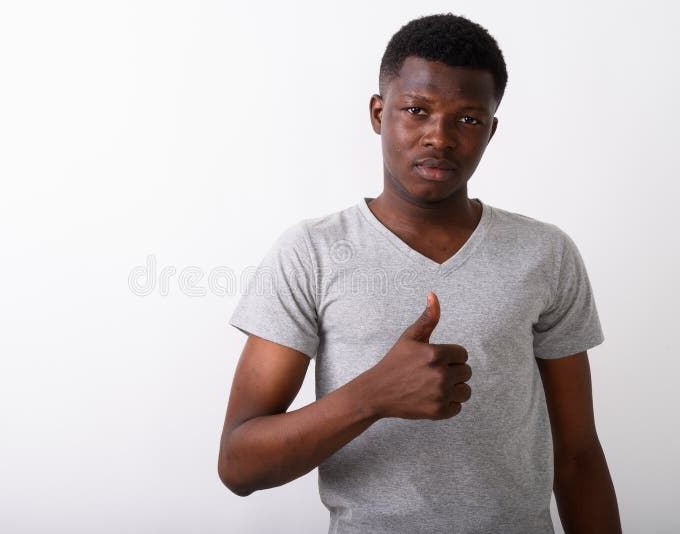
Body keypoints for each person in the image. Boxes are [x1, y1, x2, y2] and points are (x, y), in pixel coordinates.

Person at [218, 13, 621, 534]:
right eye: (416, 110)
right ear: (378, 113)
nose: (440, 137)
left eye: (468, 119)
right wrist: (373, 395)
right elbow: (238, 465)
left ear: (491, 131)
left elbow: (579, 457)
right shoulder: (311, 253)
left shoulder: (544, 253)